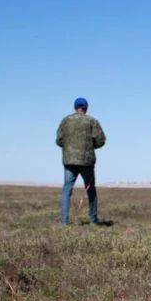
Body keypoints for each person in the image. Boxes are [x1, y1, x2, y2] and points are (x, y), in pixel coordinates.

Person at [56, 97, 106, 226]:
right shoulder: (91, 121)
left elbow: (59, 140)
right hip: (86, 161)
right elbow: (101, 140)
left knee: (67, 190)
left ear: (74, 107)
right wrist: (89, 146)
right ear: (86, 108)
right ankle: (93, 220)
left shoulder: (66, 121)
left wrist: (69, 147)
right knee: (91, 190)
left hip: (69, 161)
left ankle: (64, 223)